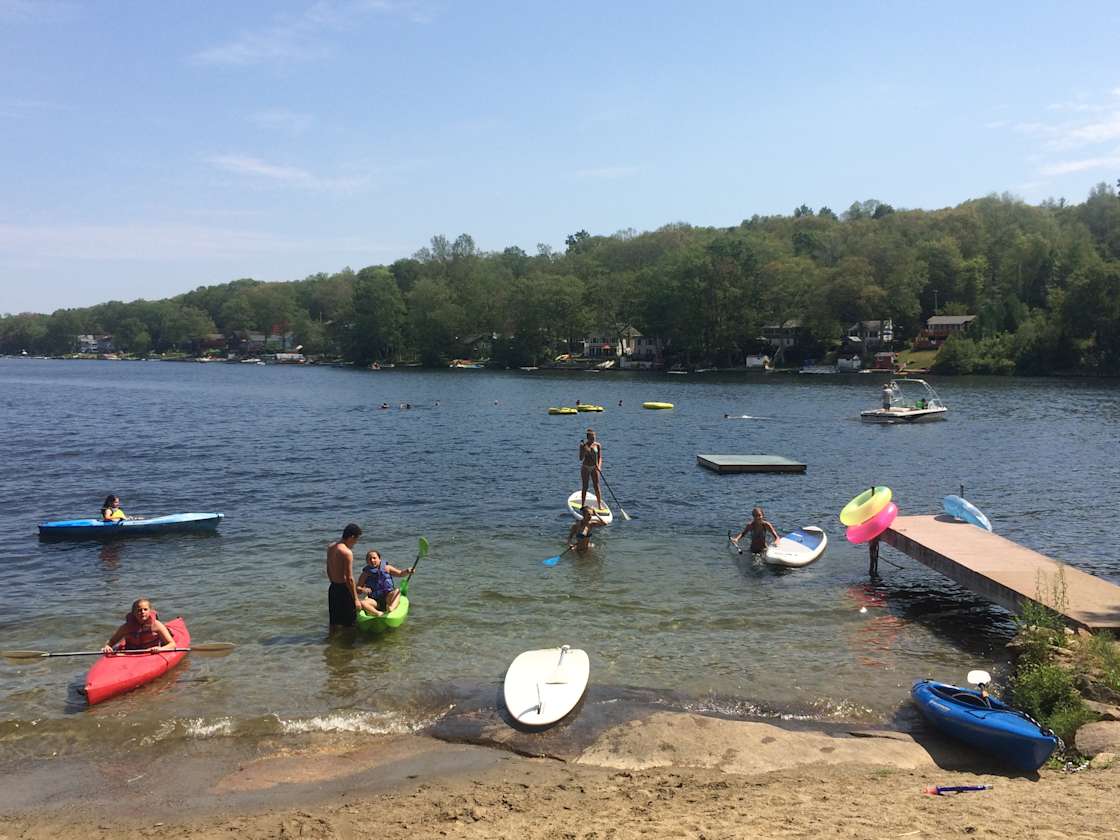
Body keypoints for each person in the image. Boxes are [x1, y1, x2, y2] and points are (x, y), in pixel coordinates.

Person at [100, 598, 176, 654]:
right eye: (139, 610)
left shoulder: (157, 625)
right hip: (131, 652)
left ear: (150, 611)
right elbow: (111, 641)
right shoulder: (126, 627)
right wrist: (107, 647)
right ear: (133, 613)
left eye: (145, 609)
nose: (142, 612)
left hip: (150, 653)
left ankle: (169, 631)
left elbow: (172, 644)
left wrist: (160, 649)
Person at [326, 523, 363, 630]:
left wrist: (333, 582)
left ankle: (332, 644)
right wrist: (356, 599)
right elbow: (349, 578)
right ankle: (348, 645)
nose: (356, 543)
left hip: (333, 588)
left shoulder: (331, 547)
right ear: (352, 537)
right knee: (350, 624)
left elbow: (328, 568)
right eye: (356, 539)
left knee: (334, 622)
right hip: (344, 590)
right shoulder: (347, 552)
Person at [356, 550, 413, 616]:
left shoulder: (387, 568)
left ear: (379, 559)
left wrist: (407, 571)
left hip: (388, 597)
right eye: (369, 559)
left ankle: (391, 608)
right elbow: (358, 588)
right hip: (375, 600)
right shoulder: (365, 573)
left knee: (397, 591)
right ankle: (378, 613)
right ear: (367, 561)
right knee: (362, 603)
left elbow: (400, 573)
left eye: (374, 558)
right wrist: (363, 589)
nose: (372, 560)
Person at [579, 428, 604, 511]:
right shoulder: (583, 445)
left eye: (594, 436)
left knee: (596, 486)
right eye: (592, 437)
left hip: (594, 468)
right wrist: (584, 450)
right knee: (585, 487)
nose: (593, 438)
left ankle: (599, 505)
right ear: (588, 438)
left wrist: (599, 466)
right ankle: (582, 505)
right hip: (585, 467)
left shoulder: (597, 445)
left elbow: (600, 457)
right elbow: (580, 458)